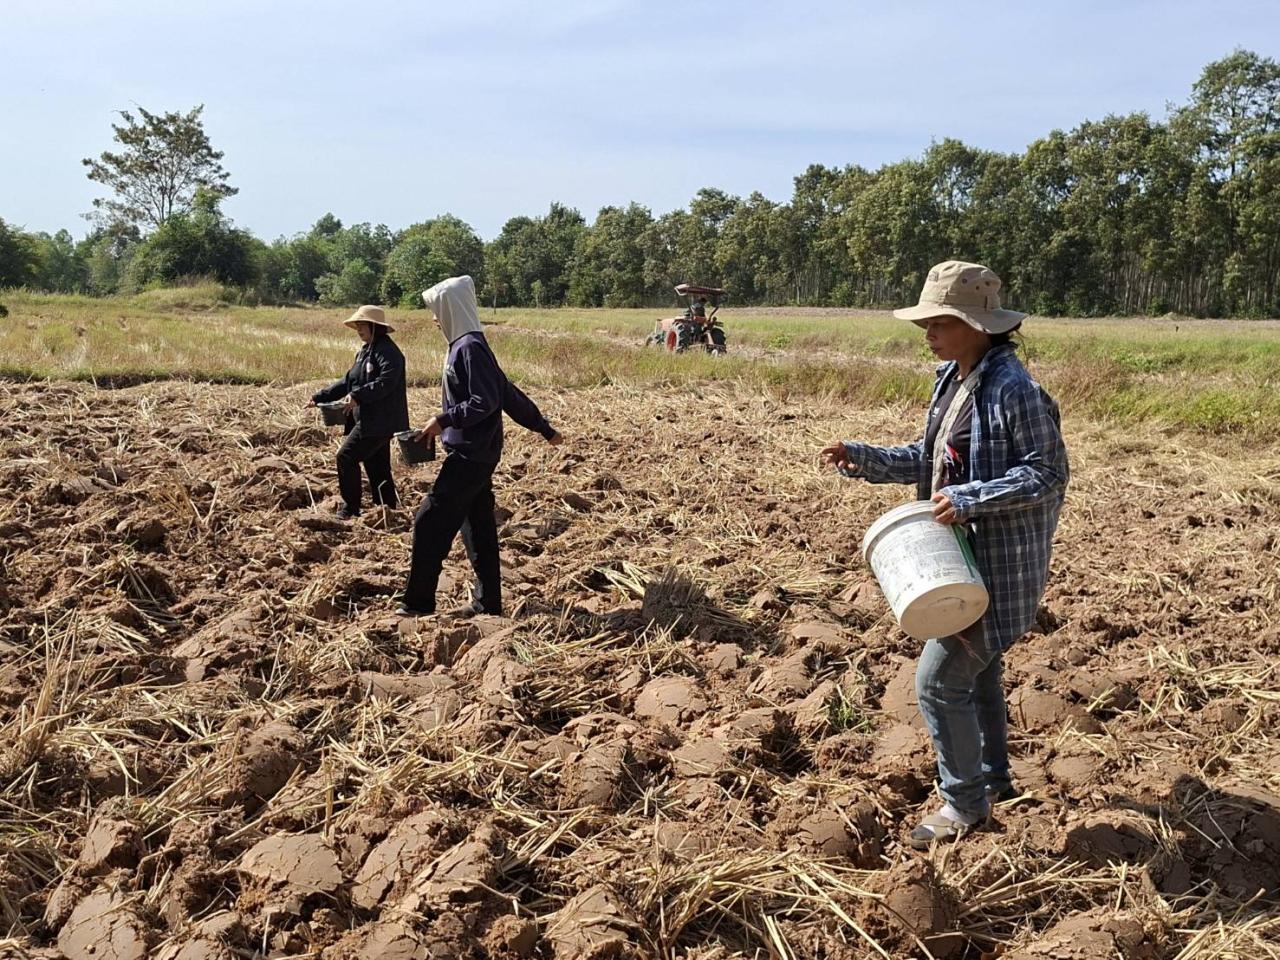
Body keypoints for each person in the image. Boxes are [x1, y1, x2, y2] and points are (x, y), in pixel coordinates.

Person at [821, 261, 1069, 848]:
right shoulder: (953, 379)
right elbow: (932, 464)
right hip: (959, 560)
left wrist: (970, 498)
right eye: (926, 321)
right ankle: (994, 780)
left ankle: (964, 807)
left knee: (938, 681)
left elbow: (1047, 473)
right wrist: (862, 455)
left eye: (940, 321)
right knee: (977, 676)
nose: (927, 331)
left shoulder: (1015, 388)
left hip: (1000, 566)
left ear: (979, 326)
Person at [399, 275, 563, 618]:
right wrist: (544, 429)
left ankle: (417, 605)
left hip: (470, 456)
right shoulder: (468, 346)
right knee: (479, 531)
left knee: (429, 523)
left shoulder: (469, 348)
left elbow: (485, 401)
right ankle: (489, 604)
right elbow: (509, 394)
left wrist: (442, 420)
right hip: (477, 453)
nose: (433, 318)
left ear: (451, 309)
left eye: (437, 309)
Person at [309, 305, 409, 520]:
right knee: (377, 464)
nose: (358, 330)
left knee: (346, 457)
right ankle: (387, 509)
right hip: (368, 419)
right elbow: (348, 381)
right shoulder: (365, 351)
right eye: (357, 326)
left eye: (362, 325)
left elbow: (386, 383)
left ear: (374, 326)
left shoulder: (389, 353)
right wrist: (320, 397)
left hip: (380, 421)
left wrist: (358, 396)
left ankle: (351, 508)